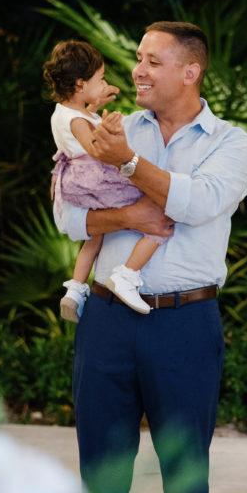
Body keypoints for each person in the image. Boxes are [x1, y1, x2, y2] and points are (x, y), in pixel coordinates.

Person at [54, 21, 247, 493]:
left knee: (186, 482)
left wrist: (129, 164)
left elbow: (199, 203)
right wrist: (126, 218)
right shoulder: (109, 126)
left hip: (185, 323)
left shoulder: (230, 142)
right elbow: (67, 216)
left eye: (152, 61)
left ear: (191, 72)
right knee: (100, 475)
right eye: (138, 58)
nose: (137, 70)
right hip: (107, 323)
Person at [43, 40, 170, 321]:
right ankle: (127, 275)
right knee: (161, 211)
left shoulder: (68, 112)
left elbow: (81, 120)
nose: (105, 83)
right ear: (79, 84)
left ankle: (75, 289)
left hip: (81, 182)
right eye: (100, 79)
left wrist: (96, 102)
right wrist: (110, 130)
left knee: (95, 238)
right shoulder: (78, 121)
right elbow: (95, 148)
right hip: (97, 178)